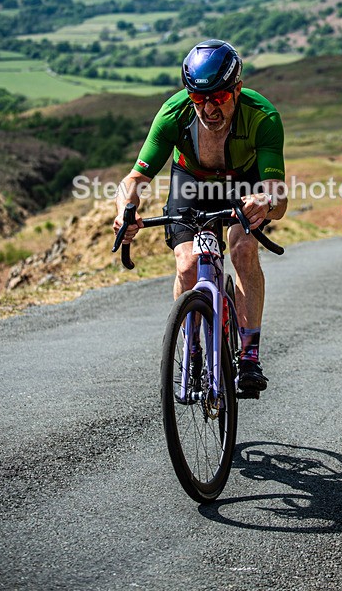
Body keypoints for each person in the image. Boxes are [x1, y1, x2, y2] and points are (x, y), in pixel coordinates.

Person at [113, 39, 287, 393]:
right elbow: (134, 180)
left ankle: (249, 355)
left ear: (237, 89)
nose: (208, 109)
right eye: (198, 98)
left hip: (244, 182)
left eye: (219, 98)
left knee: (241, 248)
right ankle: (191, 346)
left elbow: (278, 197)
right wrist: (124, 213)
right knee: (187, 264)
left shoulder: (262, 116)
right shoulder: (173, 114)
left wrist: (265, 203)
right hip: (191, 181)